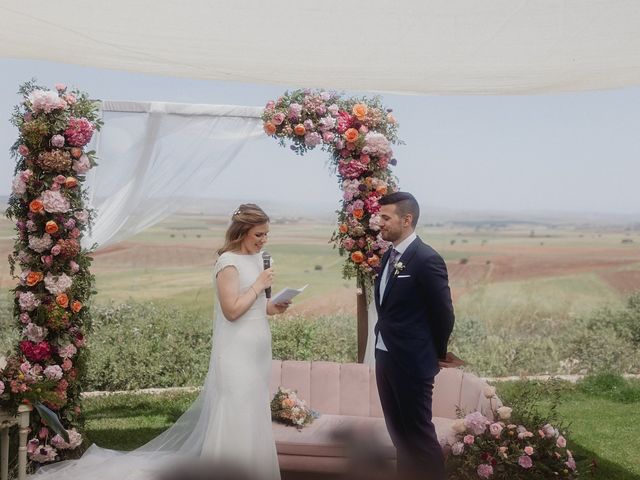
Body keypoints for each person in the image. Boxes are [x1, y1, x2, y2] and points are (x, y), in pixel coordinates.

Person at [32, 203, 289, 480]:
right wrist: (258, 284)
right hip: (236, 352)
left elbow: (257, 306)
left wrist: (275, 305)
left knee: (254, 411)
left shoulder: (263, 259)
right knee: (236, 411)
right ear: (241, 232)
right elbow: (232, 311)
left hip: (258, 348)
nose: (263, 240)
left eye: (266, 235)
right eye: (258, 235)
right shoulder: (227, 263)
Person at [373, 192, 457, 480]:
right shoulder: (389, 256)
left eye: (385, 217)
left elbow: (443, 314)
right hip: (385, 358)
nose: (379, 222)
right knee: (399, 437)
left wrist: (433, 354)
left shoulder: (426, 259)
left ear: (406, 220)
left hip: (412, 363)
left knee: (419, 437)